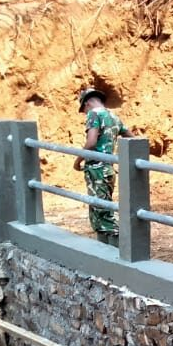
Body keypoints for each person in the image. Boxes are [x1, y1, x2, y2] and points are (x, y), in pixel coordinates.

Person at [77, 89, 124, 247]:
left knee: (103, 213)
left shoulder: (94, 115)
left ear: (87, 103)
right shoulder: (114, 117)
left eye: (84, 110)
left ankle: (118, 251)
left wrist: (77, 160)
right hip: (108, 169)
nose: (85, 113)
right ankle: (105, 249)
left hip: (96, 169)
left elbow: (91, 142)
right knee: (102, 210)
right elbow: (131, 136)